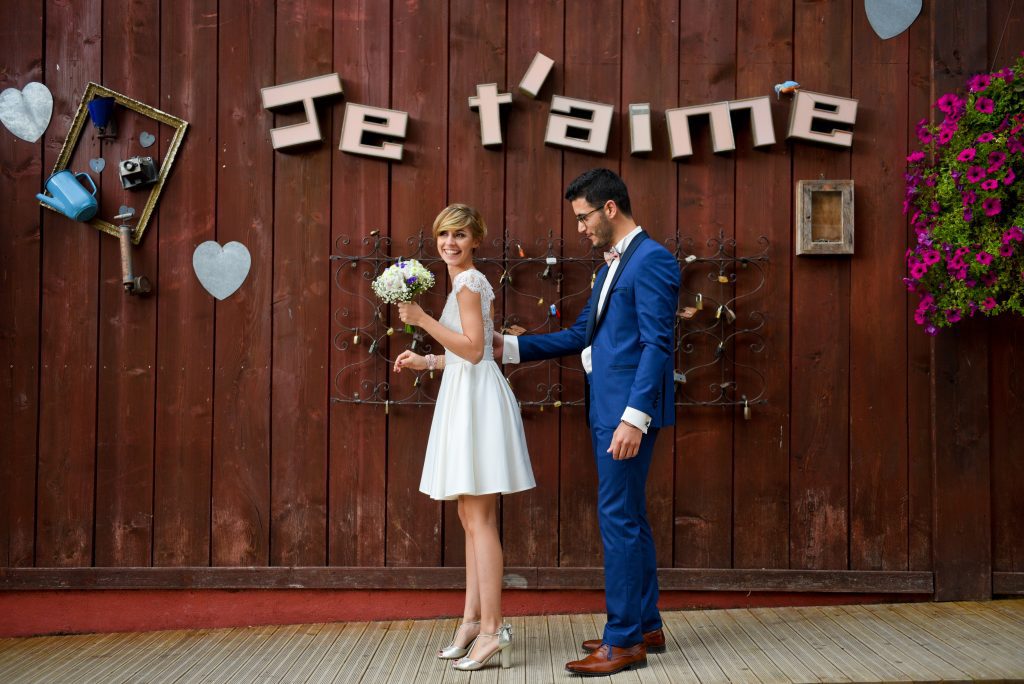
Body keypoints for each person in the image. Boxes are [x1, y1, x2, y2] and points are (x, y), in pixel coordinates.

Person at [496, 168, 680, 676]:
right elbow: (582, 334)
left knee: (617, 519)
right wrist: (507, 347)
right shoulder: (608, 269)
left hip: (626, 415)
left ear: (610, 209)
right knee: (631, 517)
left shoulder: (653, 260)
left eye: (583, 217)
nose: (580, 228)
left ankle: (621, 642)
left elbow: (657, 346)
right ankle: (645, 624)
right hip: (609, 410)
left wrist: (634, 419)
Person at [392, 203, 535, 672]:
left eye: (459, 235)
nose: (450, 243)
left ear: (476, 239)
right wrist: (425, 362)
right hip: (465, 395)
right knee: (468, 515)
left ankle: (494, 629)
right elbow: (464, 353)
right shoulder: (462, 283)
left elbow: (475, 351)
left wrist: (422, 320)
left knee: (480, 520)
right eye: (443, 235)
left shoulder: (469, 283)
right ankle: (472, 619)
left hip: (476, 402)